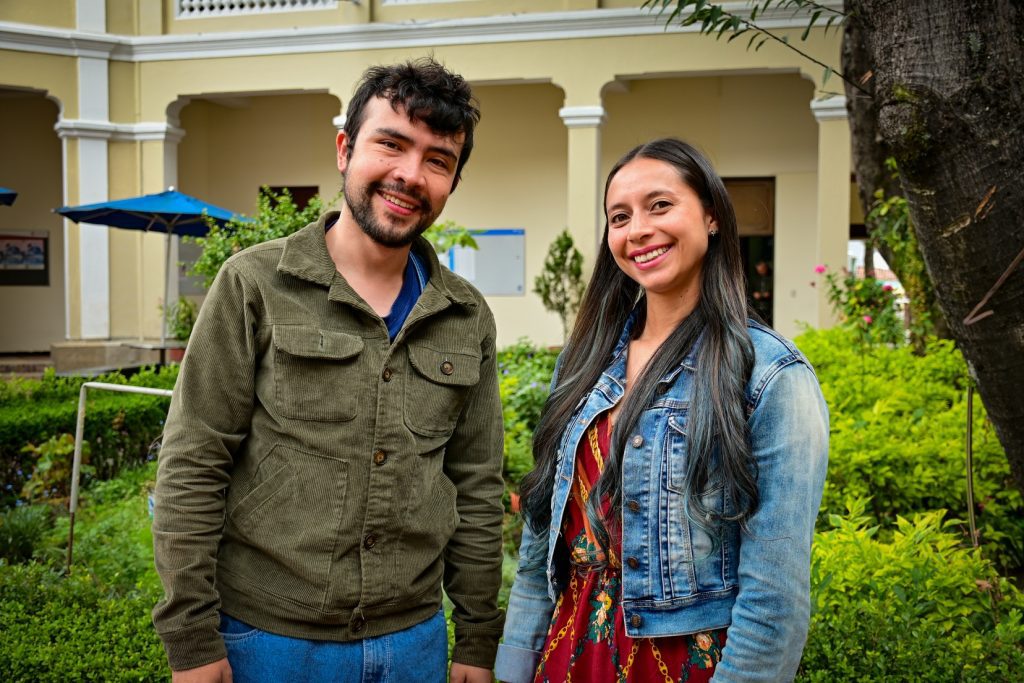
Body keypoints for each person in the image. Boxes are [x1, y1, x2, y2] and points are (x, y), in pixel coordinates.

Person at [152, 58, 505, 683]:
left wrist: (477, 637)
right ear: (345, 149)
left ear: (452, 181)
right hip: (267, 644)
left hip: (415, 646)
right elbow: (192, 464)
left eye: (437, 160)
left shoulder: (465, 314)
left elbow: (476, 486)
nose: (409, 175)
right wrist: (191, 641)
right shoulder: (253, 285)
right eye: (391, 144)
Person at [494, 138, 829, 683]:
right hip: (569, 652)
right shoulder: (582, 365)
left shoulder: (770, 376)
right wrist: (514, 665)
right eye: (619, 217)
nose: (638, 230)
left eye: (660, 205)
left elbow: (775, 595)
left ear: (712, 215)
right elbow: (540, 551)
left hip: (686, 664)